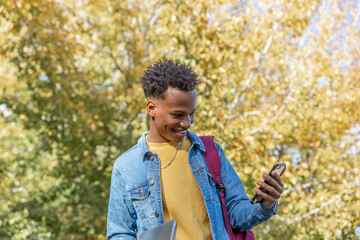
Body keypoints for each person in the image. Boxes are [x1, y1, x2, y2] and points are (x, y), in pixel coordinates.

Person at [107, 59, 284, 240]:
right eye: (178, 115)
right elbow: (120, 233)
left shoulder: (210, 153)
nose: (187, 123)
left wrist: (265, 204)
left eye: (192, 113)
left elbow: (236, 215)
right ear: (151, 108)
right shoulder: (127, 167)